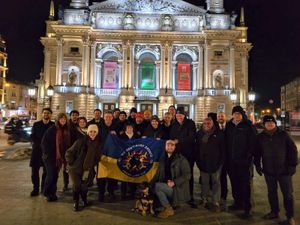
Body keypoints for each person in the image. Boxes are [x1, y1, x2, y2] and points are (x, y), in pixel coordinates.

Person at [255, 115, 298, 225]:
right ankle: (274, 211)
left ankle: (290, 216)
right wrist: (257, 165)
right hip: (269, 171)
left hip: (284, 171)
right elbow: (257, 153)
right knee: (271, 193)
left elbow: (293, 151)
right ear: (264, 125)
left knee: (288, 194)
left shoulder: (284, 135)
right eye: (267, 123)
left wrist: (292, 166)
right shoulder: (261, 137)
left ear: (275, 123)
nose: (269, 124)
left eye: (271, 122)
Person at [224, 105, 256, 218]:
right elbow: (226, 142)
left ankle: (247, 208)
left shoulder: (248, 126)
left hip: (243, 161)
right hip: (231, 161)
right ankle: (237, 202)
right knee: (234, 183)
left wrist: (248, 158)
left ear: (242, 115)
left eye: (239, 114)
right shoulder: (229, 125)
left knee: (245, 185)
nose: (237, 115)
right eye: (235, 113)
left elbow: (252, 143)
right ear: (232, 114)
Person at [66, 124, 102, 211]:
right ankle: (76, 202)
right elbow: (69, 152)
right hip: (75, 169)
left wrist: (93, 164)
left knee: (84, 186)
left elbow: (97, 157)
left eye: (94, 132)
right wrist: (71, 163)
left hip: (87, 169)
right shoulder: (80, 141)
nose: (92, 133)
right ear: (88, 132)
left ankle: (84, 200)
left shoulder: (98, 144)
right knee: (77, 186)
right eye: (90, 131)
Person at [151, 140, 191, 218]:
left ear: (175, 147)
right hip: (165, 186)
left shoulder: (181, 159)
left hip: (177, 189)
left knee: (157, 186)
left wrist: (174, 182)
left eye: (172, 145)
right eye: (168, 145)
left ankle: (168, 208)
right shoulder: (162, 158)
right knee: (155, 186)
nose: (170, 147)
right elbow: (157, 174)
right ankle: (166, 205)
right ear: (165, 147)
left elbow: (187, 175)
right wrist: (149, 183)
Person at [195, 117, 224, 212]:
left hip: (216, 163)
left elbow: (223, 149)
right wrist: (198, 161)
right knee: (205, 183)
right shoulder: (199, 134)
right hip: (203, 163)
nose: (207, 125)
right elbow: (197, 148)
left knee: (216, 183)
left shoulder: (218, 134)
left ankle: (215, 202)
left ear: (212, 124)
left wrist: (220, 162)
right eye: (205, 123)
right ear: (203, 124)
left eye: (209, 123)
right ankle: (204, 199)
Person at [42, 113, 72, 202]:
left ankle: (53, 193)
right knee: (51, 175)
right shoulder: (53, 129)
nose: (63, 120)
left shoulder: (67, 130)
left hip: (60, 157)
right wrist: (47, 153)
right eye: (61, 119)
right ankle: (46, 192)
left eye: (64, 119)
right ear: (58, 120)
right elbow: (44, 142)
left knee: (55, 176)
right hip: (50, 157)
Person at [169, 107, 196, 207]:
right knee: (176, 175)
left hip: (188, 154)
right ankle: (177, 196)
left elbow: (191, 137)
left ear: (184, 115)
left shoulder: (190, 123)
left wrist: (178, 140)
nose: (179, 117)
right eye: (177, 115)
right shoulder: (174, 124)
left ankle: (190, 196)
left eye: (180, 115)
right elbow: (171, 136)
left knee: (188, 175)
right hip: (177, 154)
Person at [30, 108, 54, 196]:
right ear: (42, 114)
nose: (46, 114)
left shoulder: (53, 125)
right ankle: (35, 188)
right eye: (44, 113)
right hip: (37, 151)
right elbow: (32, 136)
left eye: (48, 113)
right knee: (34, 171)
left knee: (46, 171)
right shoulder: (36, 124)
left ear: (50, 115)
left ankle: (44, 188)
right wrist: (39, 144)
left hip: (47, 153)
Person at [98, 111, 118, 202]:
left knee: (112, 175)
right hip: (102, 155)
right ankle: (101, 193)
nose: (108, 118)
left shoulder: (116, 127)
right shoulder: (99, 127)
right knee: (101, 175)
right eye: (106, 117)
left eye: (110, 117)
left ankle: (111, 192)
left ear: (112, 118)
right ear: (103, 117)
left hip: (113, 154)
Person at [119, 123, 139, 199]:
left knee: (133, 176)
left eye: (131, 127)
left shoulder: (137, 136)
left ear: (133, 128)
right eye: (128, 128)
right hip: (124, 159)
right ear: (125, 129)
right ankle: (123, 194)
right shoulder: (121, 136)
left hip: (134, 159)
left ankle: (132, 194)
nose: (129, 129)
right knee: (123, 176)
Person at [217, 111, 228, 203]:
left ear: (225, 117)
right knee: (222, 178)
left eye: (222, 116)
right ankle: (223, 196)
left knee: (234, 178)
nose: (220, 117)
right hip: (220, 157)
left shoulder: (230, 127)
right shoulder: (215, 127)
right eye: (219, 116)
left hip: (230, 157)